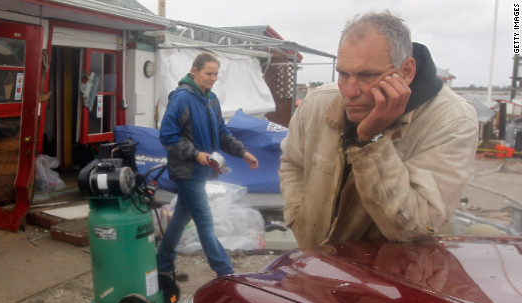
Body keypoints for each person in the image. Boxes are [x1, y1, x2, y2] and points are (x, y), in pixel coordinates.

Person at [279, 11, 478, 249]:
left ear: (406, 71)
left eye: (367, 75)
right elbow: (293, 164)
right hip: (315, 265)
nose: (350, 91)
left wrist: (371, 140)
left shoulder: (451, 121)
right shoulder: (317, 104)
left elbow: (411, 227)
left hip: (386, 279)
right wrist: (297, 217)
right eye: (343, 73)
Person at [157, 52, 259, 277]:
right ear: (195, 71)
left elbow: (222, 133)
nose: (213, 78)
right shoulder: (182, 98)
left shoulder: (211, 100)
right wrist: (196, 155)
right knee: (205, 223)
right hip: (187, 170)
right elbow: (167, 136)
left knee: (181, 217)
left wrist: (243, 152)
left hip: (202, 170)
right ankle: (226, 274)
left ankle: (163, 266)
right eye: (208, 73)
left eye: (216, 74)